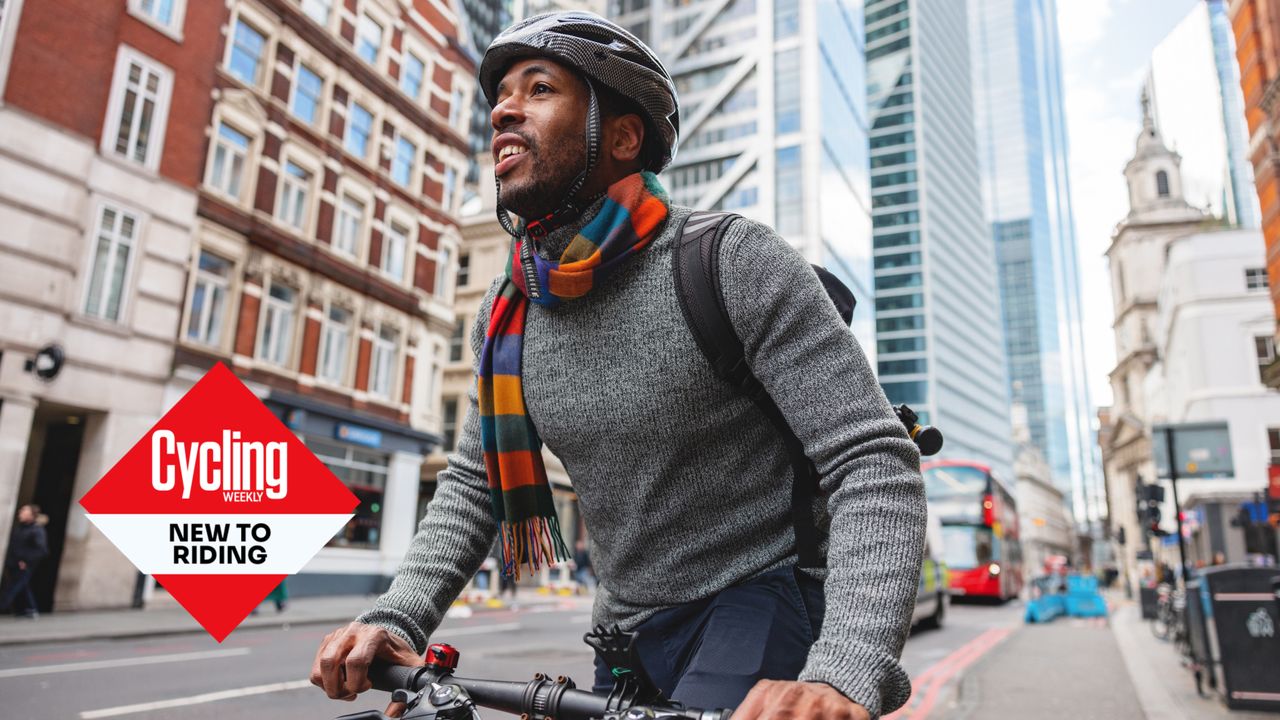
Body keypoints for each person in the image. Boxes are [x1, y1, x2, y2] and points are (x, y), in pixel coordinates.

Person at [311, 12, 926, 719]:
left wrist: (844, 673)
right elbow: (475, 482)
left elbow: (873, 463)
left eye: (539, 89)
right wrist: (398, 617)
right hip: (627, 626)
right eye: (501, 96)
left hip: (768, 594)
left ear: (623, 137)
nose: (505, 109)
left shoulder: (730, 262)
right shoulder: (508, 312)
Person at [2, 504, 48, 618]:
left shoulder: (36, 530)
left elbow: (41, 550)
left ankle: (4, 606)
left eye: (24, 511)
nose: (20, 513)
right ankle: (30, 609)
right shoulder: (20, 528)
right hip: (13, 562)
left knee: (12, 588)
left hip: (24, 564)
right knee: (22, 586)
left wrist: (26, 560)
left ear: (32, 515)